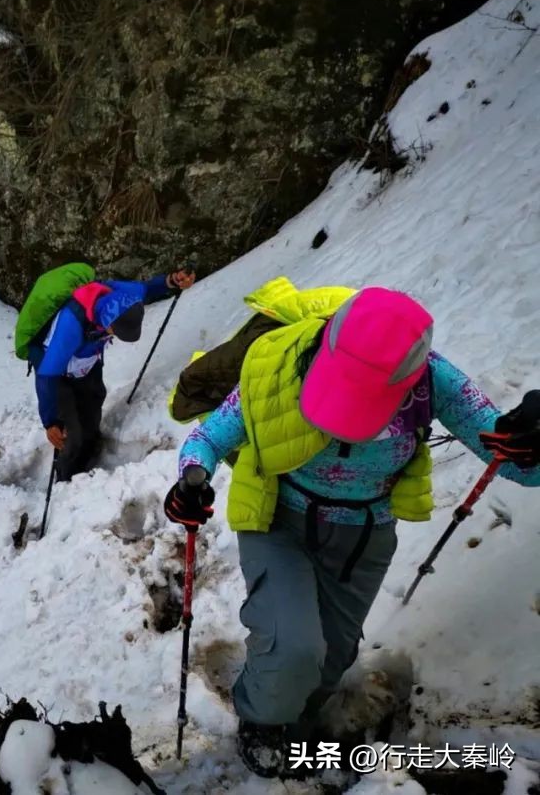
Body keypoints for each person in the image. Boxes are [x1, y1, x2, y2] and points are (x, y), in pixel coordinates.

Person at [161, 286, 540, 778]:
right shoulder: (279, 361)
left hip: (365, 535)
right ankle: (260, 717)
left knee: (334, 656)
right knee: (295, 647)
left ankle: (295, 716)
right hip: (278, 520)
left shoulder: (432, 380)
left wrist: (530, 444)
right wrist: (192, 480)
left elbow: (511, 463)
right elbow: (209, 436)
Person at [29, 267, 195, 481]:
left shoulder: (126, 296)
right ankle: (66, 477)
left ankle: (88, 462)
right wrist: (50, 422)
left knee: (92, 416)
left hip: (88, 364)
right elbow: (47, 376)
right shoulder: (70, 326)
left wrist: (172, 280)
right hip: (60, 376)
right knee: (72, 434)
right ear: (106, 323)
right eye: (114, 332)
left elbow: (147, 289)